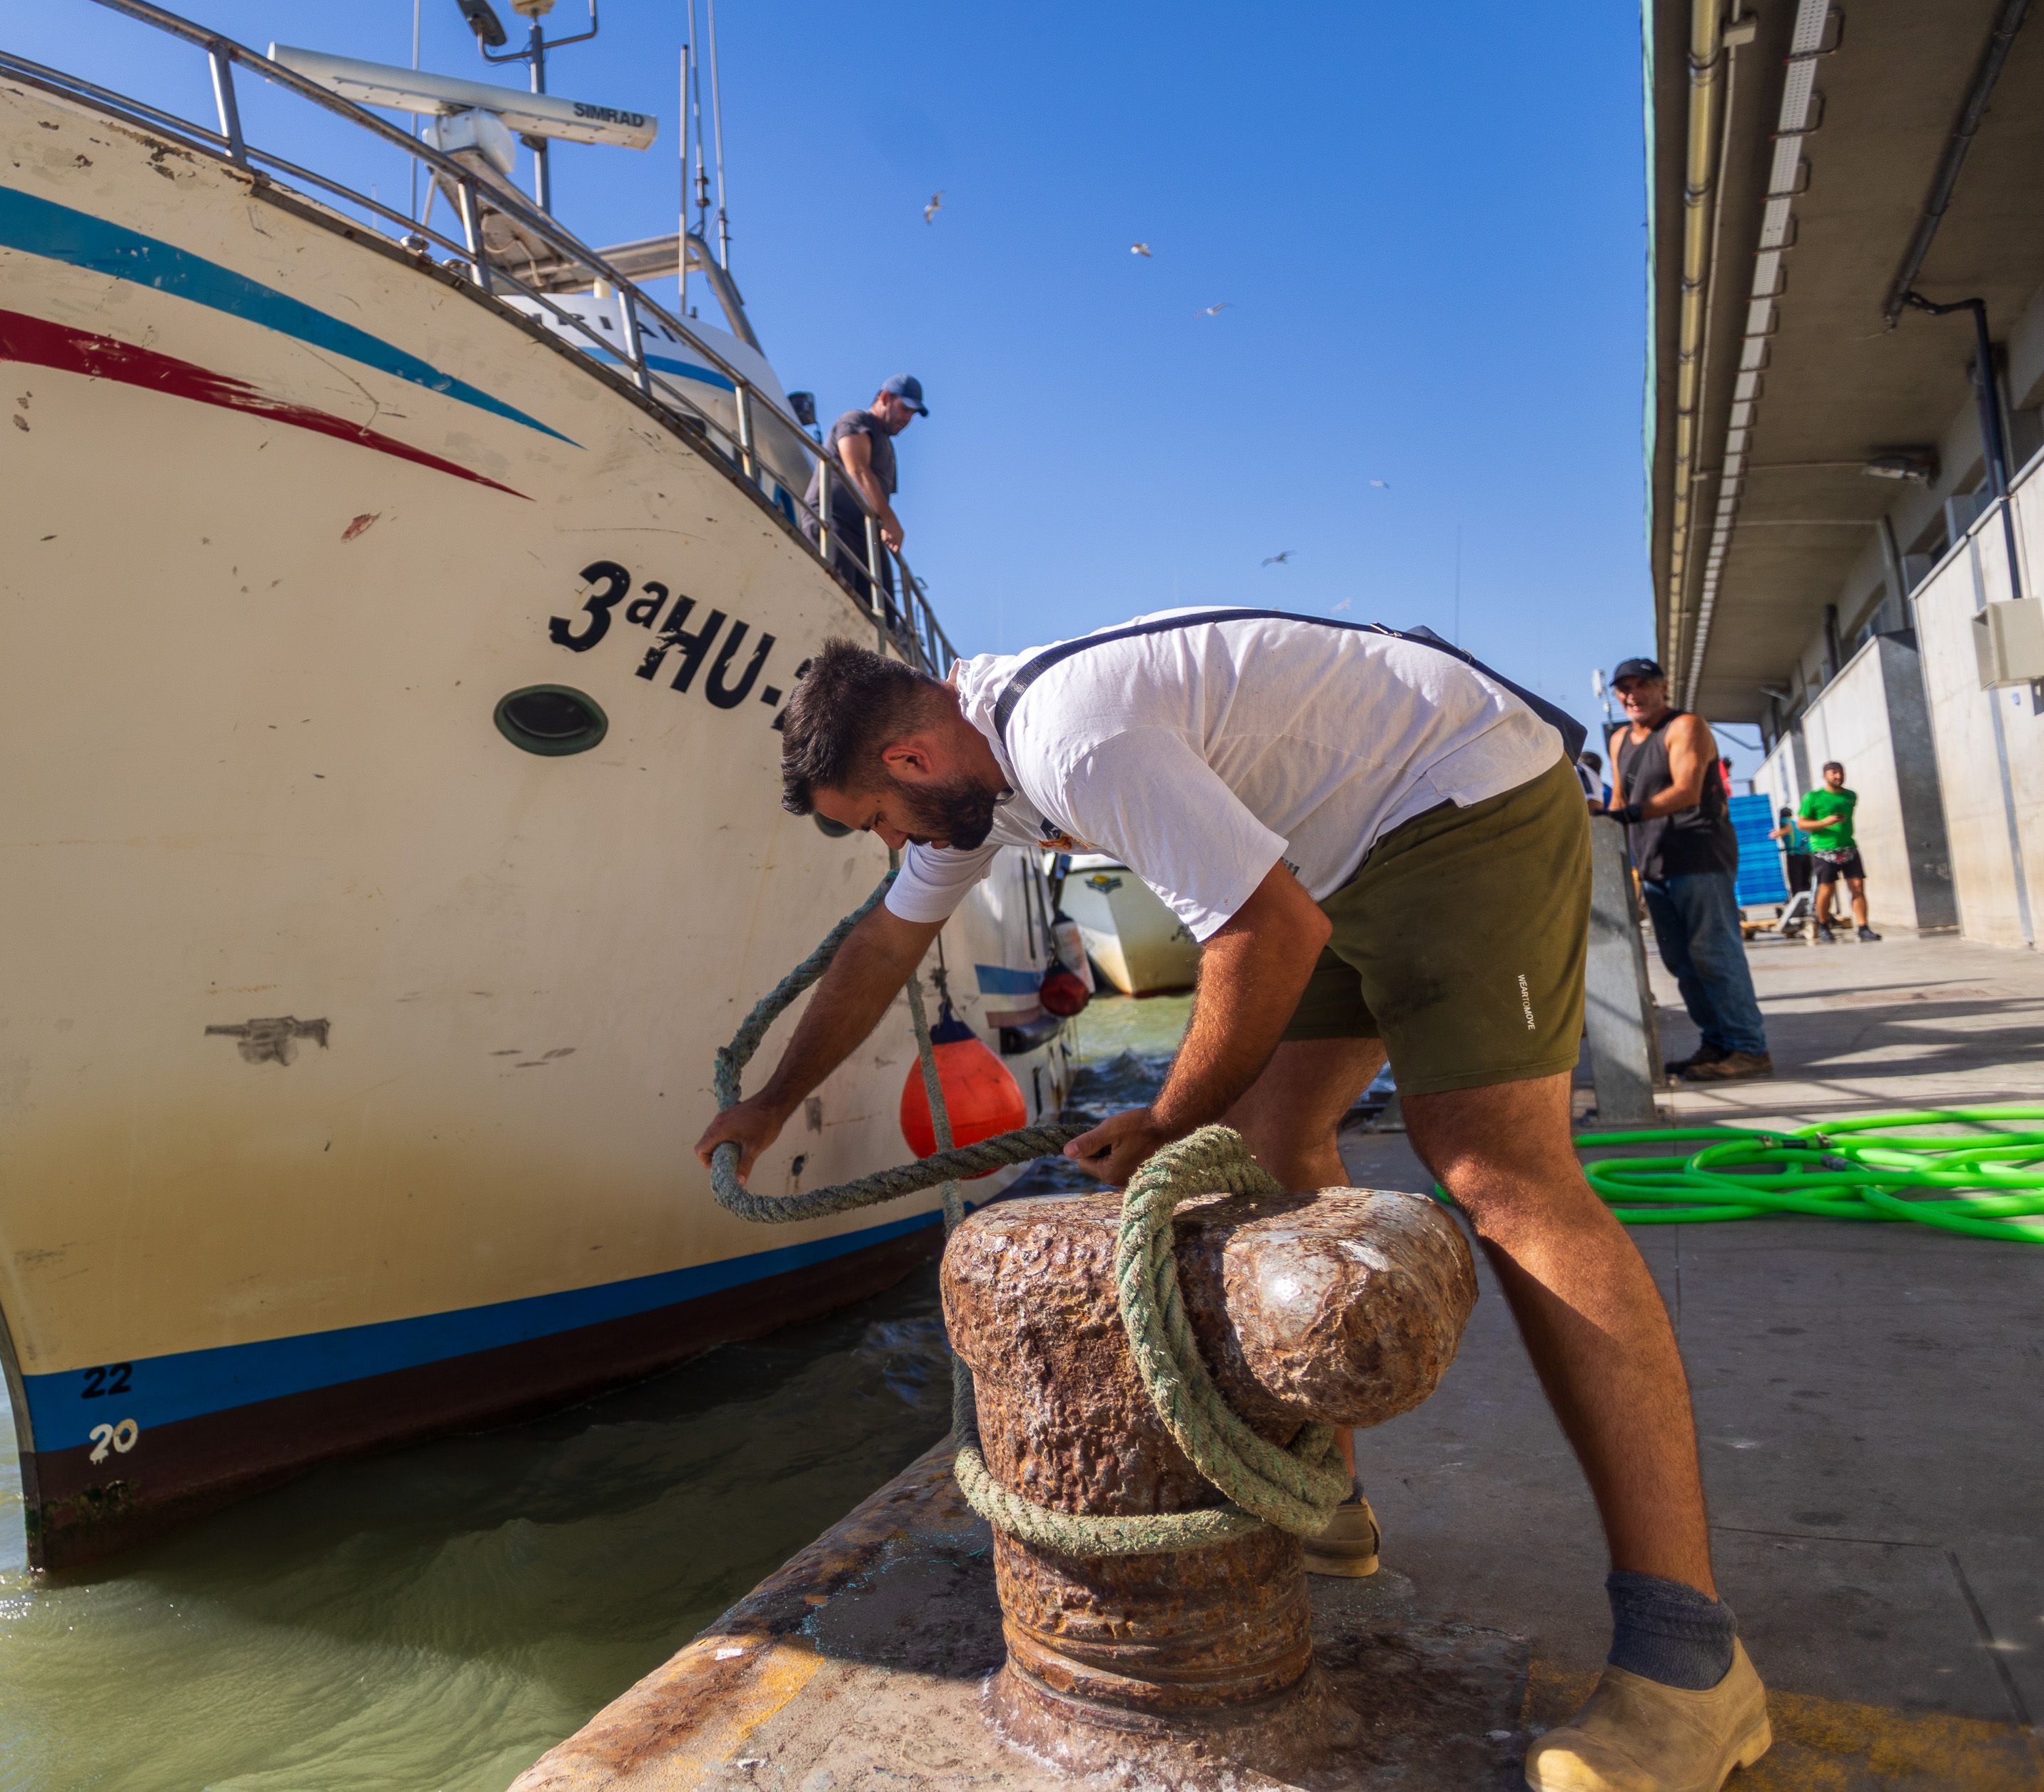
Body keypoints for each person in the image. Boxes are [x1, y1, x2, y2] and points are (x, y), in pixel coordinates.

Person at [700, 615, 1768, 1791]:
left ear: (905, 761)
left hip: (1460, 796)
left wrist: (1163, 1119)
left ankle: (1690, 1663)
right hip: (1333, 852)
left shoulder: (1066, 734)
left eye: (878, 822)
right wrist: (770, 1101)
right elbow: (881, 947)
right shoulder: (980, 781)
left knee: (1496, 1167)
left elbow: (1267, 928)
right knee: (1271, 1140)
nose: (893, 842)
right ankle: (1332, 1507)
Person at [1605, 658, 1771, 1082]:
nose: (1632, 695)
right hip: (1654, 861)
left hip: (1698, 857)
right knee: (1681, 961)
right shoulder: (1620, 739)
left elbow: (1687, 790)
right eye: (1623, 688)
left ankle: (1749, 1047)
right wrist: (1602, 832)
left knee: (1714, 954)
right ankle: (1717, 1043)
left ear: (1663, 688)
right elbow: (1618, 802)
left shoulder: (1685, 727)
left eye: (1642, 685)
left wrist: (1628, 817)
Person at [819, 375, 926, 603]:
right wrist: (888, 518)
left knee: (885, 611)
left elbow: (880, 495)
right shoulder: (857, 421)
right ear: (885, 398)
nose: (908, 418)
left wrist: (884, 521)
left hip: (867, 535)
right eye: (905, 409)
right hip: (835, 522)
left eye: (913, 414)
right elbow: (857, 469)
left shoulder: (888, 448)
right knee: (836, 599)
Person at [1797, 762, 1878, 942]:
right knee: (1827, 888)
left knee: (1857, 887)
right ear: (1825, 776)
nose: (1838, 776)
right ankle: (1824, 924)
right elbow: (1802, 824)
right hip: (1824, 850)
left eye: (1841, 773)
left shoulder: (1850, 796)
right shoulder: (1813, 797)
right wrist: (1825, 822)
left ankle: (1863, 927)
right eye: (1834, 773)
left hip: (1848, 847)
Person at [1773, 804, 1813, 902]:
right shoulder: (1798, 824)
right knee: (1806, 882)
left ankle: (1799, 906)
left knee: (1796, 882)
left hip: (1795, 855)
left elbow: (1787, 828)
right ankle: (1809, 903)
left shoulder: (1784, 821)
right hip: (1807, 855)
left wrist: (1777, 833)